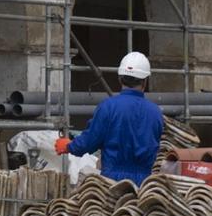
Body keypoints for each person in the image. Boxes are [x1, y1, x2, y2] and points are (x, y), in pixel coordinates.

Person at [54, 51, 164, 183]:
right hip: (145, 184)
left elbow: (90, 141)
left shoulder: (108, 107)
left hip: (112, 182)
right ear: (145, 80)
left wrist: (69, 146)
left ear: (120, 78)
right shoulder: (155, 112)